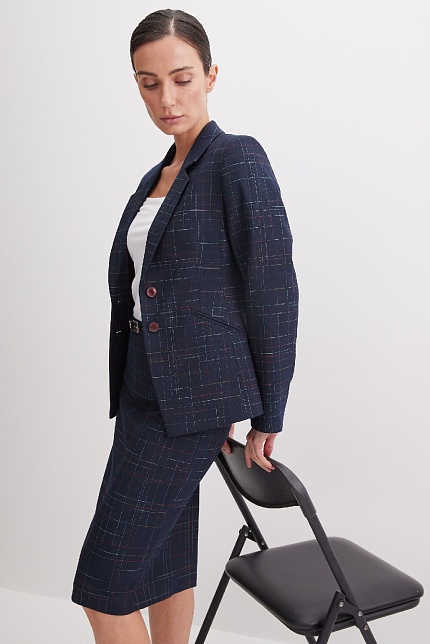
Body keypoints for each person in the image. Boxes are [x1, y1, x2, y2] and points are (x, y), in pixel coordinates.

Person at [72, 8, 298, 644]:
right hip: (143, 391)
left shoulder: (236, 159)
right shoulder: (158, 176)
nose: (166, 99)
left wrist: (269, 412)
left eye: (181, 79)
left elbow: (273, 289)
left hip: (193, 402)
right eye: (149, 84)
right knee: (164, 564)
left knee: (103, 587)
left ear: (210, 75)